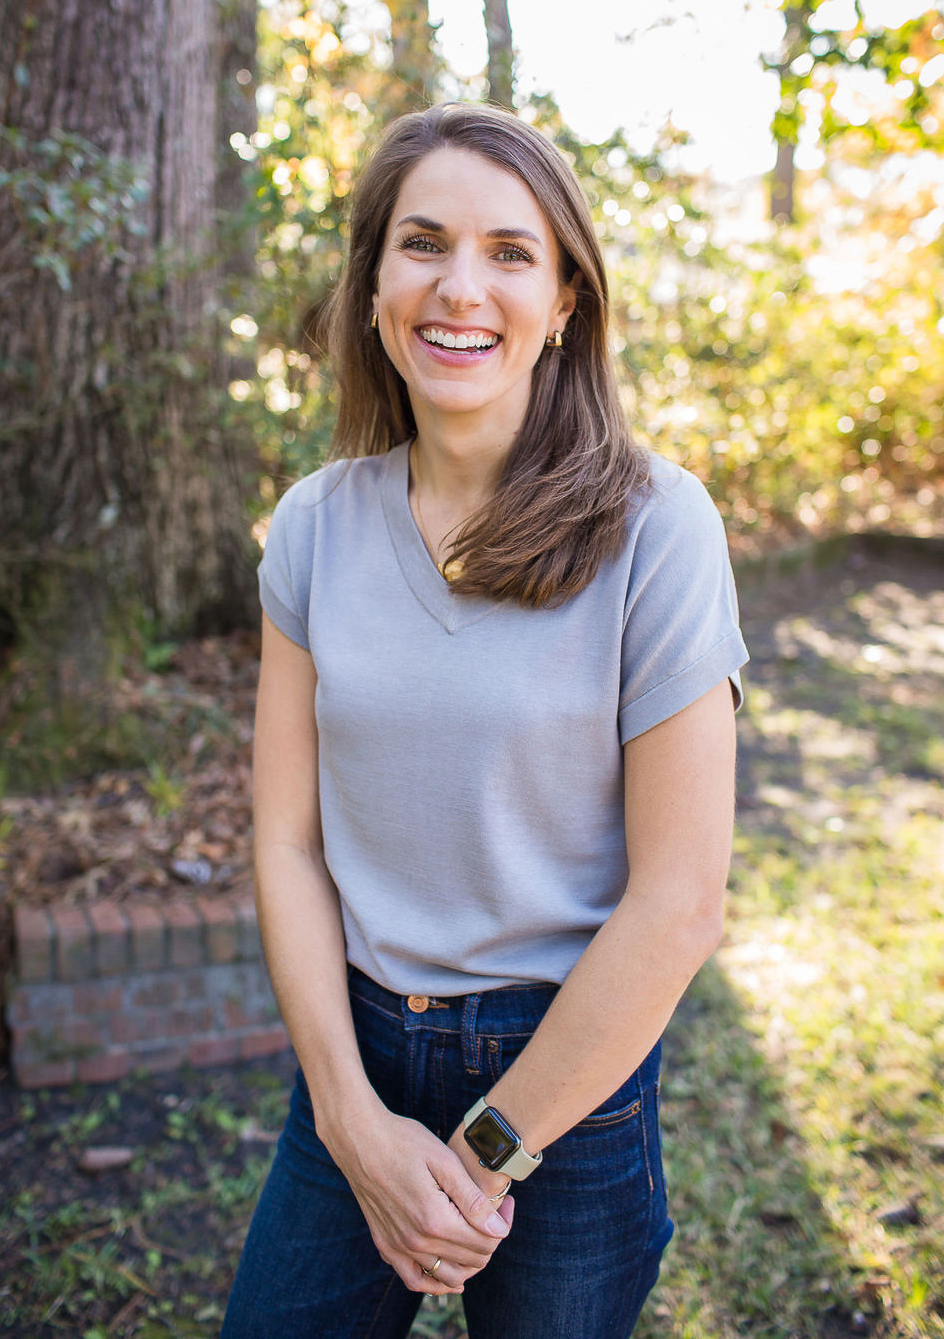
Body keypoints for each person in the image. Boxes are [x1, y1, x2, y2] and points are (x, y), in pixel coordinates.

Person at [221, 101, 748, 1339]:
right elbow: (286, 843)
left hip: (569, 1079)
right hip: (352, 1052)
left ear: (564, 299)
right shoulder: (312, 524)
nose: (460, 287)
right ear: (371, 284)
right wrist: (353, 1124)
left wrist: (488, 1150)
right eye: (422, 243)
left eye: (510, 252)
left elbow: (678, 902)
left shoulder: (657, 529)